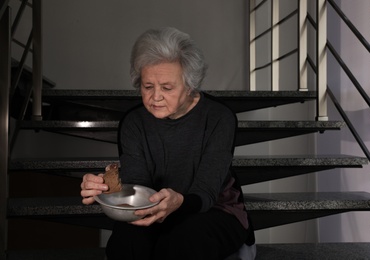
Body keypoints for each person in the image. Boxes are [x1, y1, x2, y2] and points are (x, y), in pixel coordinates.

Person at [80, 27, 254, 260]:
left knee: (182, 242)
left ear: (190, 85)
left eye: (167, 87)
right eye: (147, 86)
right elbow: (138, 185)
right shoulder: (134, 122)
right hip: (154, 206)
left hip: (213, 210)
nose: (155, 97)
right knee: (126, 241)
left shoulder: (218, 118)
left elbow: (205, 192)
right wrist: (105, 190)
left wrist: (178, 202)